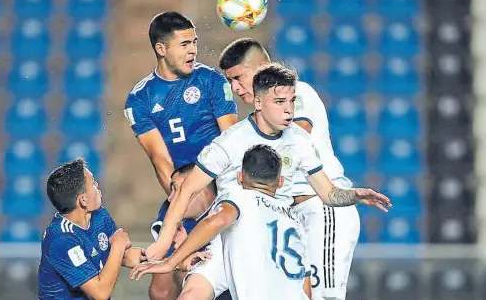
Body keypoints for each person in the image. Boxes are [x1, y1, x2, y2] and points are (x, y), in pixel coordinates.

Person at [144, 63, 392, 300]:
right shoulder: (231, 142)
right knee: (191, 294)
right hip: (232, 233)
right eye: (280, 102)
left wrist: (354, 195)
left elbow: (329, 194)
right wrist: (166, 240)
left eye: (292, 101)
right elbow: (187, 190)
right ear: (259, 101)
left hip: (278, 234)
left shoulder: (299, 140)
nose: (289, 110)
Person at [219, 38, 361, 300]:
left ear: (262, 67)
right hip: (288, 218)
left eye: (239, 77)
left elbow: (297, 134)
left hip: (320, 210)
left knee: (322, 297)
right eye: (230, 81)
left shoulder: (297, 93)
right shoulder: (257, 119)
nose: (235, 88)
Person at [124, 11, 237, 300]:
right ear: (161, 49)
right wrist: (180, 215)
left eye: (194, 42)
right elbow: (161, 163)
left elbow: (232, 142)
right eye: (184, 44)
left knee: (216, 276)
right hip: (183, 195)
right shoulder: (140, 99)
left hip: (220, 193)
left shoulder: (211, 80)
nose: (193, 50)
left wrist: (215, 202)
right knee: (161, 286)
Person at [131, 144, 313, 300]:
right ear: (280, 182)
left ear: (240, 178)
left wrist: (171, 262)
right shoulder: (295, 221)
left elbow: (215, 222)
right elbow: (305, 285)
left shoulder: (239, 197)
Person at [37, 158, 205, 300]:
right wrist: (117, 245)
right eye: (93, 183)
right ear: (83, 201)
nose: (97, 185)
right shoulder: (61, 240)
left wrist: (176, 262)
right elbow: (100, 293)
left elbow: (124, 256)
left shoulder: (98, 215)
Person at [148, 163, 217, 300]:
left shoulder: (228, 210)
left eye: (176, 189)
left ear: (198, 188)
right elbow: (161, 292)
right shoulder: (170, 216)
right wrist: (182, 253)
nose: (170, 198)